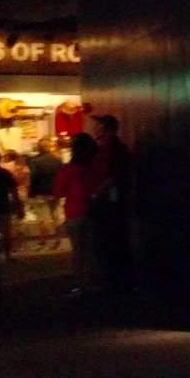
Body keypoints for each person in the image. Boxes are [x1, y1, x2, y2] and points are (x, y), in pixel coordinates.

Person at [52, 132, 107, 296]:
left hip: (75, 211)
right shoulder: (96, 167)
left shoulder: (68, 170)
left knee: (78, 249)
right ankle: (96, 281)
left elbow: (58, 192)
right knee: (93, 248)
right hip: (94, 210)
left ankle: (79, 284)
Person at [90, 113, 135, 294]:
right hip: (113, 200)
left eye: (98, 125)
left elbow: (114, 175)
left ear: (105, 128)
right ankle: (119, 281)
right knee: (115, 240)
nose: (95, 128)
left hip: (109, 202)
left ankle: (115, 282)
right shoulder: (111, 146)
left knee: (110, 241)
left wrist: (97, 193)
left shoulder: (111, 147)